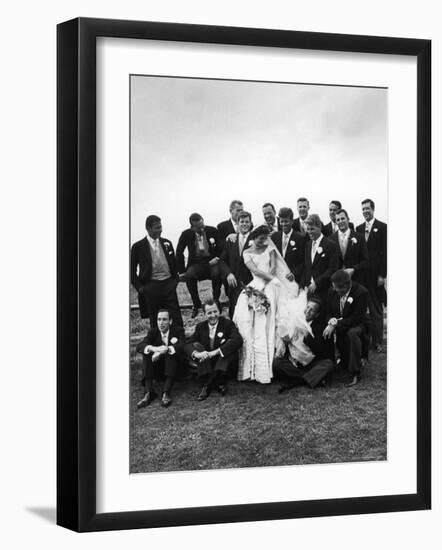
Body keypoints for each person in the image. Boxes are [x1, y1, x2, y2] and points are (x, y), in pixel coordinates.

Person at [233, 225, 314, 384]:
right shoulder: (247, 252)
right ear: (254, 237)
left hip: (272, 284)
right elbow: (255, 271)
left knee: (271, 321)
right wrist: (266, 282)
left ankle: (272, 365)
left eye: (265, 238)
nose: (263, 242)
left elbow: (273, 266)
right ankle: (253, 367)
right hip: (257, 284)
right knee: (251, 323)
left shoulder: (269, 247)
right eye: (260, 239)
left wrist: (271, 280)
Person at [130, 214, 183, 329]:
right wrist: (141, 288)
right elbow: (131, 272)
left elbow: (174, 264)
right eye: (157, 227)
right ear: (148, 228)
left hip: (169, 284)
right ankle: (157, 344)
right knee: (156, 320)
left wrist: (175, 281)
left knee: (176, 317)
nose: (160, 230)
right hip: (151, 286)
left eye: (161, 227)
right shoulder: (137, 247)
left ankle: (179, 342)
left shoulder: (167, 243)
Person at [185, 300, 243, 401]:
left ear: (219, 311)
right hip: (207, 362)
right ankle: (219, 382)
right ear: (204, 314)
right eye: (209, 313)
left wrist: (215, 352)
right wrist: (197, 354)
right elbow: (188, 344)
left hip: (223, 361)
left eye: (215, 311)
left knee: (227, 348)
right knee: (196, 345)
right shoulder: (200, 327)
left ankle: (207, 386)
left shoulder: (227, 324)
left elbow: (238, 340)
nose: (213, 315)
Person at [274, 298, 335, 391]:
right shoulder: (294, 321)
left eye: (312, 310)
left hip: (310, 362)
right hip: (295, 362)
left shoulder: (320, 327)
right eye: (307, 307)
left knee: (328, 364)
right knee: (277, 363)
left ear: (317, 314)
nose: (307, 311)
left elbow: (320, 351)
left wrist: (306, 337)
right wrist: (286, 342)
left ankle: (299, 380)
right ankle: (308, 378)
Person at [323, 270, 370, 387]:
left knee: (352, 333)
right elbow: (328, 312)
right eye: (333, 288)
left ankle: (355, 372)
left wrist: (336, 324)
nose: (335, 291)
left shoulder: (361, 292)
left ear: (346, 286)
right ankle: (330, 364)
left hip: (358, 325)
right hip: (339, 323)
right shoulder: (331, 292)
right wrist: (330, 322)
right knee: (324, 331)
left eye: (337, 289)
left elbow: (357, 318)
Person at [135, 309, 185, 408]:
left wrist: (165, 349)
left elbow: (182, 345)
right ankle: (149, 392)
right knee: (147, 353)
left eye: (164, 319)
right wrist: (155, 349)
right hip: (158, 369)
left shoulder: (178, 330)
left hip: (175, 369)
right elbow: (140, 346)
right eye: (159, 320)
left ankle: (166, 393)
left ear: (170, 321)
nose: (161, 323)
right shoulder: (153, 332)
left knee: (171, 353)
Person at [356, 199, 387, 352]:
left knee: (376, 309)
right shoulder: (358, 228)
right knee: (362, 309)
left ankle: (378, 341)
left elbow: (386, 252)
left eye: (367, 208)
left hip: (375, 276)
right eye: (363, 209)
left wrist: (382, 274)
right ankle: (365, 340)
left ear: (373, 209)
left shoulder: (382, 227)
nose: (365, 211)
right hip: (362, 276)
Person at [176, 213, 222, 318]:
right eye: (199, 227)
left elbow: (221, 247)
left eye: (203, 224)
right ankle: (196, 304)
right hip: (196, 264)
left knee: (216, 274)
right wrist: (181, 271)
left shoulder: (212, 230)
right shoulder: (186, 234)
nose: (202, 228)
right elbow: (179, 252)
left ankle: (215, 301)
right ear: (192, 227)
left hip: (212, 262)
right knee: (190, 275)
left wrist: (217, 258)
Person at [219, 211, 253, 318]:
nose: (244, 224)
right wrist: (228, 274)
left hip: (251, 283)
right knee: (235, 314)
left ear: (250, 223)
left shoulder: (256, 240)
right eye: (242, 222)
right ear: (238, 223)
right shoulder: (231, 240)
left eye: (247, 222)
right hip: (235, 284)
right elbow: (222, 261)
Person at [300, 214, 339, 306]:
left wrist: (317, 283)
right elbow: (307, 267)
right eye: (308, 229)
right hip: (309, 290)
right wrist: (303, 285)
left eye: (312, 229)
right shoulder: (308, 245)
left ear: (319, 227)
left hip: (324, 289)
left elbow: (333, 268)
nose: (309, 232)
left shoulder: (330, 245)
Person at [330, 209, 369, 285]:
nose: (341, 221)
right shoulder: (330, 239)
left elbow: (366, 261)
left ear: (348, 219)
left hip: (356, 280)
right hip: (337, 282)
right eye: (338, 220)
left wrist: (354, 269)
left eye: (343, 218)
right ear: (336, 222)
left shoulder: (359, 237)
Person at [271, 207, 307, 284]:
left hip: (294, 279)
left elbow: (303, 261)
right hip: (278, 279)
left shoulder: (300, 238)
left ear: (292, 221)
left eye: (286, 221)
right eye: (282, 221)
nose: (284, 224)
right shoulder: (274, 237)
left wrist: (294, 274)